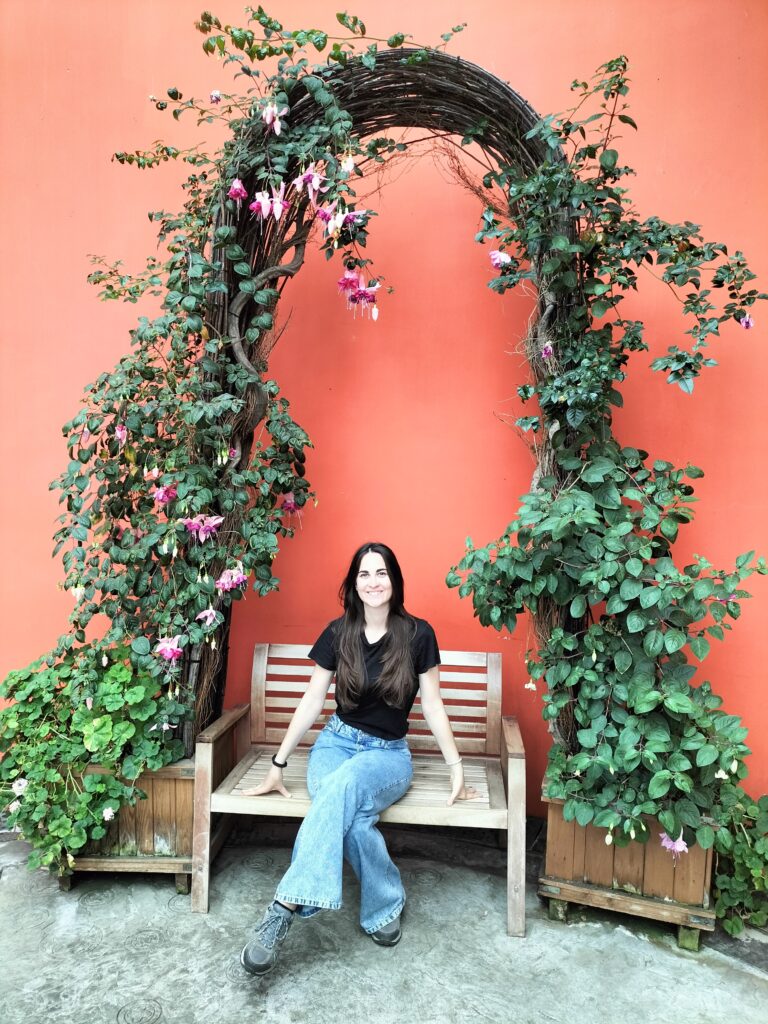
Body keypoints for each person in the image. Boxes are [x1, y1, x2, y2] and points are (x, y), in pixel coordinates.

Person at [239, 541, 479, 976]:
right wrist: (278, 764)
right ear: (353, 584)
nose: (373, 582)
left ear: (395, 580)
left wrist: (456, 766)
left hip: (387, 757)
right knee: (351, 813)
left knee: (344, 789)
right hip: (335, 744)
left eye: (381, 572)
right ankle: (385, 903)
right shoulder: (338, 633)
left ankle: (284, 906)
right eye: (364, 574)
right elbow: (313, 700)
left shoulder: (418, 634)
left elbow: (433, 704)